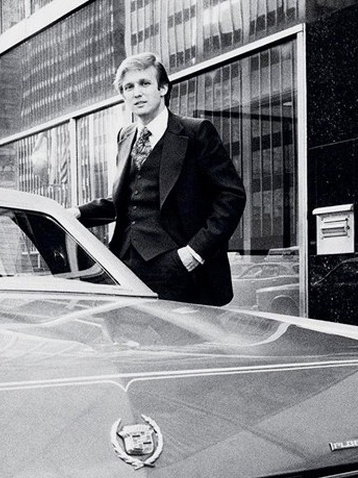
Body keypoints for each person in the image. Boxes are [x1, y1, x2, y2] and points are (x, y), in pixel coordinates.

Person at [72, 52, 246, 306]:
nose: (137, 93)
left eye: (144, 83)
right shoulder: (125, 136)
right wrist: (78, 212)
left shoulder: (196, 132)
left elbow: (231, 196)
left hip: (177, 268)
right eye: (128, 87)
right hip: (125, 266)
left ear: (163, 88)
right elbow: (128, 198)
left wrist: (195, 252)